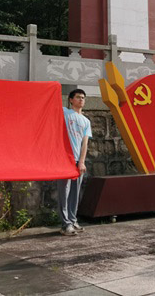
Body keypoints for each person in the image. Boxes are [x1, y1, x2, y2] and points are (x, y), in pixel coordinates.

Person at [58, 88, 92, 236]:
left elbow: (85, 143)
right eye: (78, 97)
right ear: (71, 100)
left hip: (78, 160)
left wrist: (82, 162)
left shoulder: (86, 121)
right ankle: (65, 224)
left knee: (75, 192)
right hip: (64, 159)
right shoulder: (65, 112)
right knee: (64, 192)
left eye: (83, 97)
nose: (81, 100)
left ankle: (72, 220)